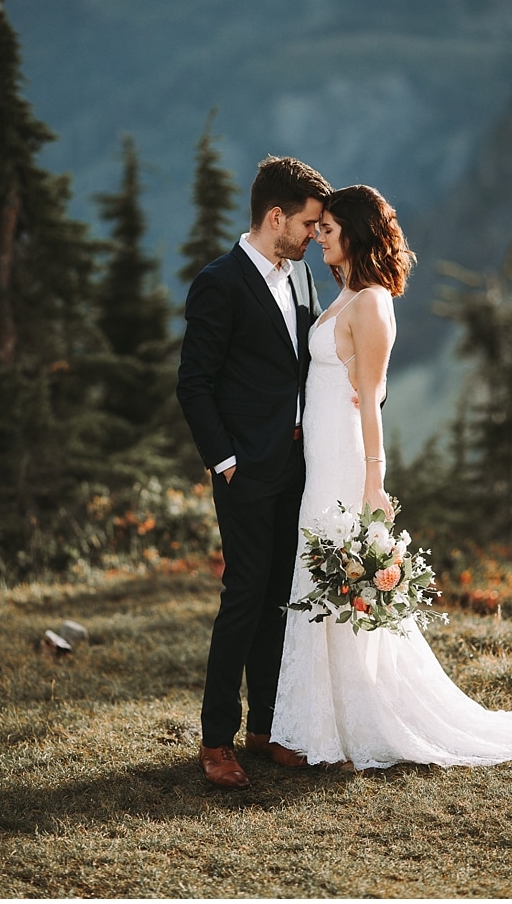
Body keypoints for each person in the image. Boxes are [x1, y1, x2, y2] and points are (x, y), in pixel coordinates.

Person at [267, 184, 512, 769]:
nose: (318, 238)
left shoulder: (371, 304)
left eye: (329, 230)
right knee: (320, 583)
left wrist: (371, 484)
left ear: (356, 236)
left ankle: (335, 736)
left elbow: (371, 401)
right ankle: (313, 729)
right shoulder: (345, 294)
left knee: (337, 587)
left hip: (344, 464)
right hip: (319, 460)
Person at [177, 156, 332, 788]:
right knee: (243, 597)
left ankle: (266, 729)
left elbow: (303, 365)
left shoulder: (297, 280)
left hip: (296, 466)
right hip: (245, 469)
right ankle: (218, 741)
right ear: (276, 218)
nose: (315, 236)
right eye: (309, 224)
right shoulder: (220, 282)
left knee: (278, 599)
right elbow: (194, 384)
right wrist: (227, 460)